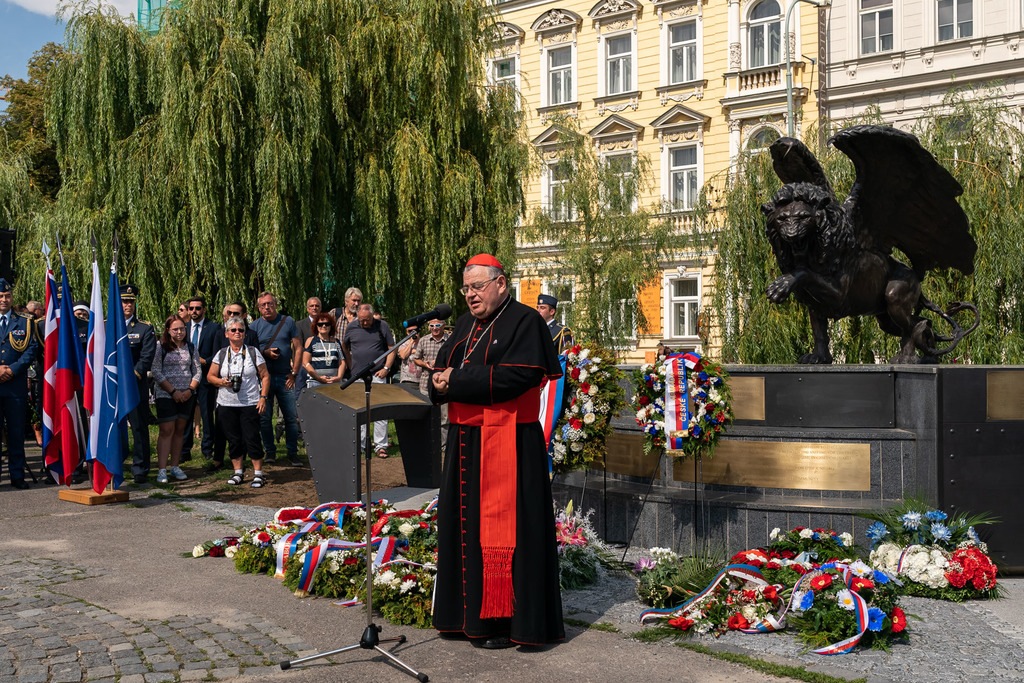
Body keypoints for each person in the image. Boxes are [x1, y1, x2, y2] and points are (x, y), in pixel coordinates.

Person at [430, 254, 564, 649]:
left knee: (511, 533)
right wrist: (439, 382)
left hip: (510, 442)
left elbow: (520, 376)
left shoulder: (526, 321)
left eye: (477, 286)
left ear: (501, 284)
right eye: (465, 288)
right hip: (464, 442)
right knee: (462, 527)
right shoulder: (464, 324)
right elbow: (443, 368)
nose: (470, 295)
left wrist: (456, 379)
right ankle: (463, 619)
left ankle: (508, 624)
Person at [207, 317, 270, 488]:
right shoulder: (221, 353)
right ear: (227, 334)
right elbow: (210, 376)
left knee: (252, 437)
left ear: (245, 333)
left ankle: (258, 474)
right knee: (234, 439)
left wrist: (263, 397)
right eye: (233, 330)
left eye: (240, 330)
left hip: (250, 401)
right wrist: (222, 382)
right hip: (227, 403)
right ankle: (238, 472)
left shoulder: (252, 352)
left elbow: (265, 376)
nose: (237, 333)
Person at [250, 291, 302, 466]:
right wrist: (265, 353)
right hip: (264, 378)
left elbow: (298, 347)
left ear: (275, 305)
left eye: (270, 304)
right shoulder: (254, 326)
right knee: (264, 417)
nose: (267, 307)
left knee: (291, 417)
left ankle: (292, 453)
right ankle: (270, 452)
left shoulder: (288, 322)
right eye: (263, 305)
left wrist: (294, 372)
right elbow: (251, 351)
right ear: (259, 308)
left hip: (284, 376)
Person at [340, 303, 396, 458]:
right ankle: (360, 445)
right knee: (360, 411)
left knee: (380, 411)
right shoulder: (351, 327)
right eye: (361, 320)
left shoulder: (382, 326)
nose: (364, 323)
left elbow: (392, 347)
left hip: (377, 375)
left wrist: (386, 368)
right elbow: (345, 346)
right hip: (358, 375)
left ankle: (381, 446)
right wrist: (351, 365)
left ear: (372, 316)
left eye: (367, 320)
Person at [0, 279, 39, 489]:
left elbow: (31, 350)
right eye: (0, 297)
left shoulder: (25, 321)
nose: (4, 300)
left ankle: (17, 475)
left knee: (16, 433)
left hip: (15, 386)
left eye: (7, 296)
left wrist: (12, 369)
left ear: (12, 297)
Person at [151, 316, 200, 484]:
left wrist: (190, 390)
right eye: (175, 329)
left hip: (187, 395)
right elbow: (156, 371)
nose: (179, 332)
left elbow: (197, 371)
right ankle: (162, 469)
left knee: (180, 431)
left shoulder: (191, 347)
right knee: (166, 431)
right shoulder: (161, 347)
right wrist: (173, 392)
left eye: (182, 329)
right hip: (166, 395)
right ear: (168, 331)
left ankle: (175, 466)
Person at [180, 296, 222, 463]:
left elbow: (218, 352)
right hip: (186, 379)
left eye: (198, 308)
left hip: (206, 378)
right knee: (186, 414)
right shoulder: (183, 327)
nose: (194, 311)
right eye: (191, 308)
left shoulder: (214, 328)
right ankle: (185, 450)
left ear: (204, 309)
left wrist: (206, 361)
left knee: (206, 414)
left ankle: (207, 448)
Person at [121, 283, 156, 484]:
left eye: (131, 302)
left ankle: (140, 467)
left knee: (139, 428)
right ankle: (115, 463)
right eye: (125, 301)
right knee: (114, 427)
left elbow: (146, 356)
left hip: (135, 384)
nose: (128, 305)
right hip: (113, 385)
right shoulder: (107, 325)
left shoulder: (144, 327)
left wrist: (132, 374)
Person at [414, 317, 449, 452]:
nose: (435, 328)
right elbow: (416, 359)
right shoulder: (423, 340)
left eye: (438, 325)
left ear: (443, 326)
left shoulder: (450, 339)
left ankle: (444, 445)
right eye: (432, 325)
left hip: (444, 384)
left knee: (445, 417)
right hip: (425, 383)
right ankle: (428, 444)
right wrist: (425, 364)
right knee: (427, 415)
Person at [301, 312, 342, 388]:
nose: (324, 326)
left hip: (333, 381)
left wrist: (339, 377)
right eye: (320, 324)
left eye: (327, 324)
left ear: (331, 326)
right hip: (315, 382)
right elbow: (305, 362)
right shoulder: (311, 341)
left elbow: (342, 362)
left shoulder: (336, 342)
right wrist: (318, 378)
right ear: (316, 326)